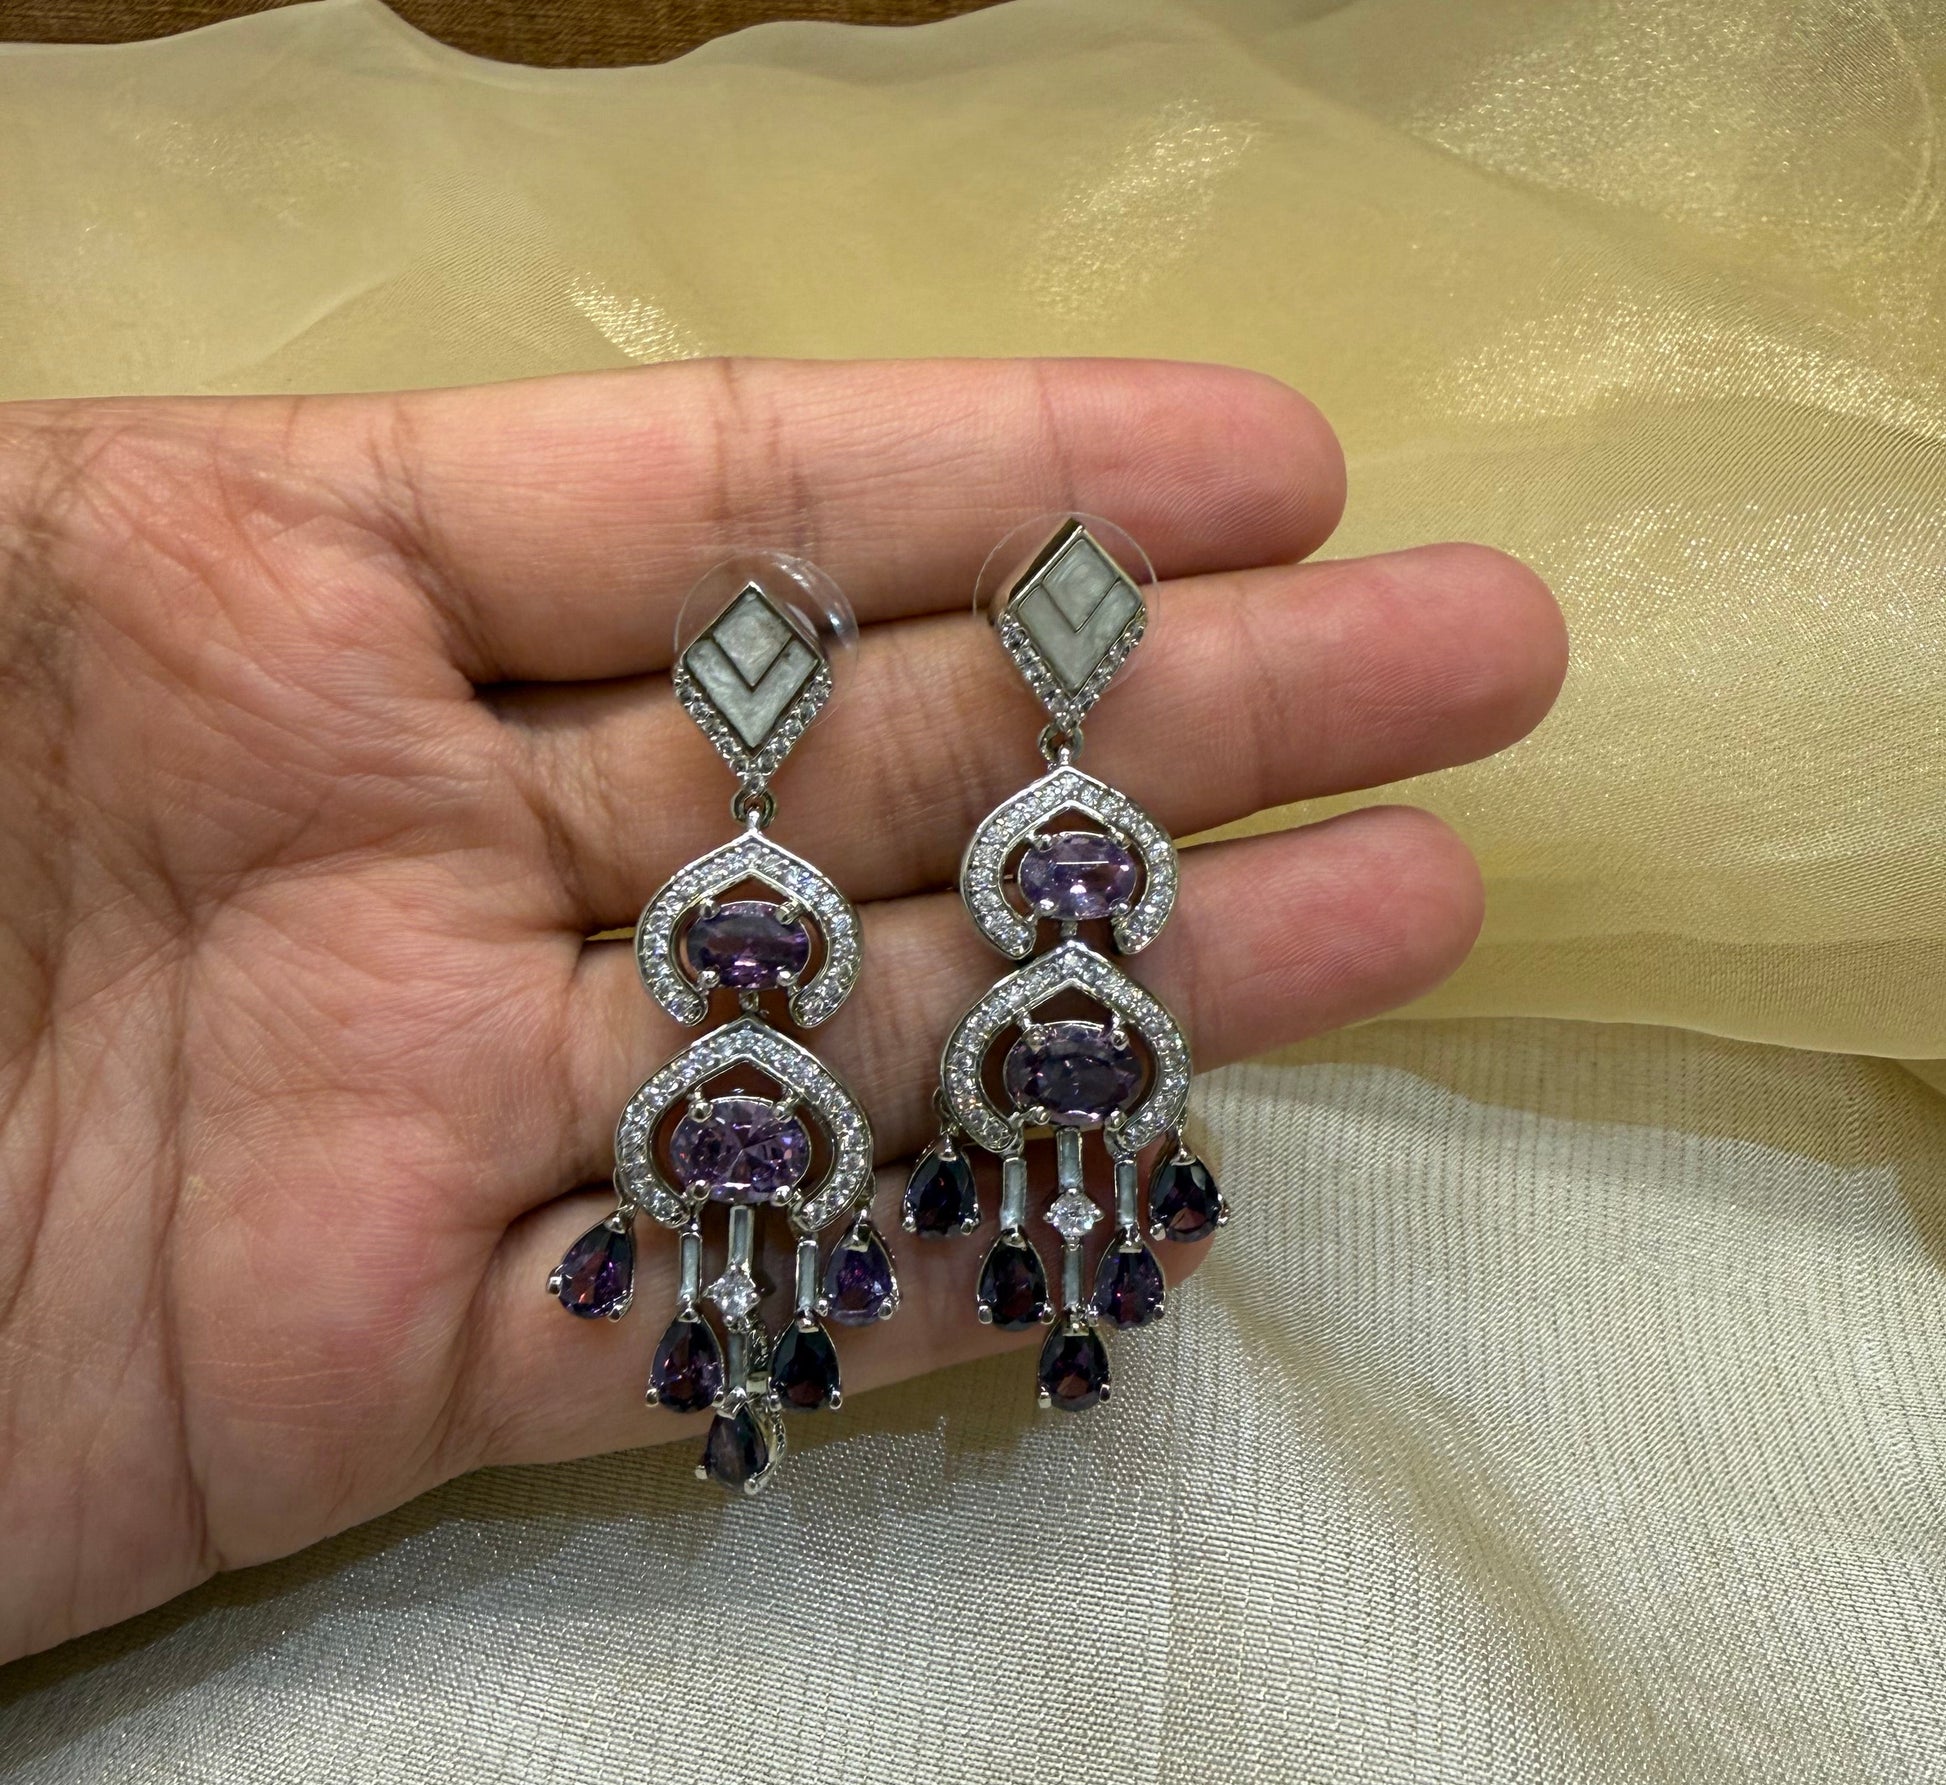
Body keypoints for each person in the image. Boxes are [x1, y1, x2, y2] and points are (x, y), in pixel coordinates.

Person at [0, 356, 1566, 1664]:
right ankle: (888, 1327)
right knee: (822, 1214)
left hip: (971, 1062)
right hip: (815, 1092)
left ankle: (930, 1313)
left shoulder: (1044, 922)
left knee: (958, 1178)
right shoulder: (786, 944)